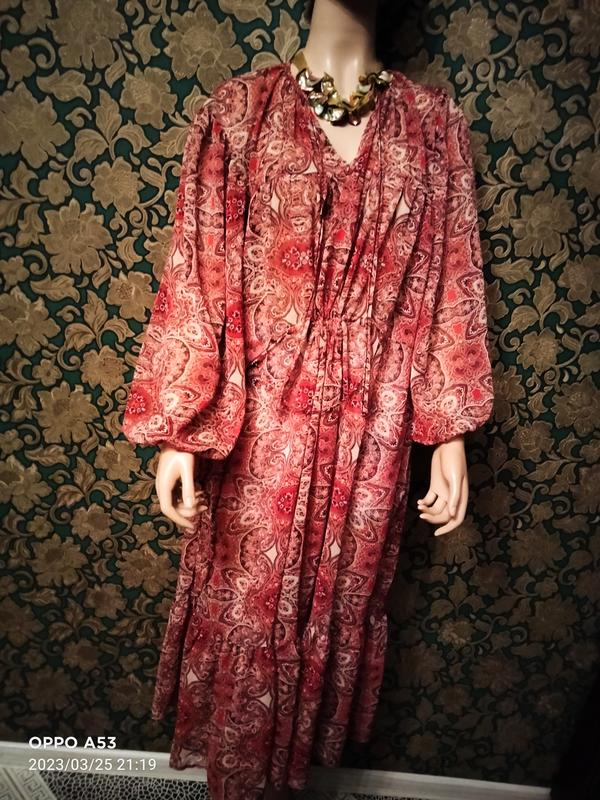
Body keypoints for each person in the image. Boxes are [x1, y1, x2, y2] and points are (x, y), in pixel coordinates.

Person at [121, 1, 495, 797]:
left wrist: (448, 431)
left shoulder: (435, 127)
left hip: (374, 433)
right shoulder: (237, 114)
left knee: (334, 604)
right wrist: (181, 428)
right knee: (250, 614)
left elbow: (453, 280)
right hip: (258, 427)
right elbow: (198, 268)